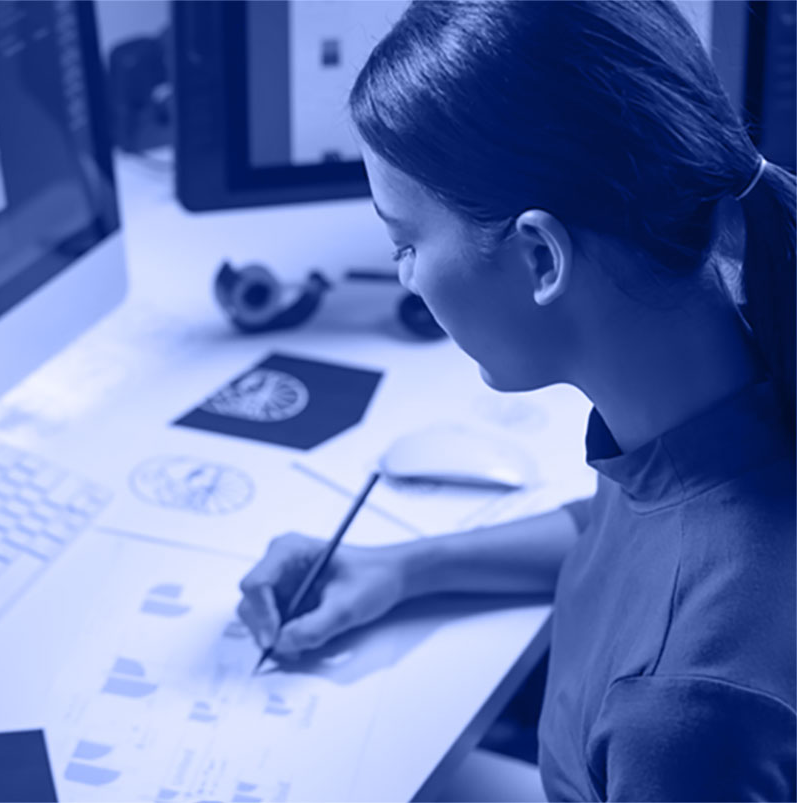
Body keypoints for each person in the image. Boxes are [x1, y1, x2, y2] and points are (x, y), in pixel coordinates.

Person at [235, 2, 796, 800]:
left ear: (539, 255)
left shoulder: (685, 712)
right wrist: (405, 569)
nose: (404, 278)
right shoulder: (733, 380)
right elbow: (624, 528)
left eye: (405, 243)